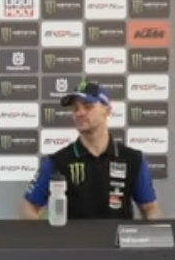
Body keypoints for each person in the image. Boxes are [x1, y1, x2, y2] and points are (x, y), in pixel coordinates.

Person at [20, 81, 161, 220]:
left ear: (107, 110)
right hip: (73, 236)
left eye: (88, 106)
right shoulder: (56, 162)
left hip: (117, 236)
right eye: (75, 108)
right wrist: (48, 235)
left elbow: (151, 209)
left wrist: (150, 230)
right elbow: (28, 208)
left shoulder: (133, 159)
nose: (80, 113)